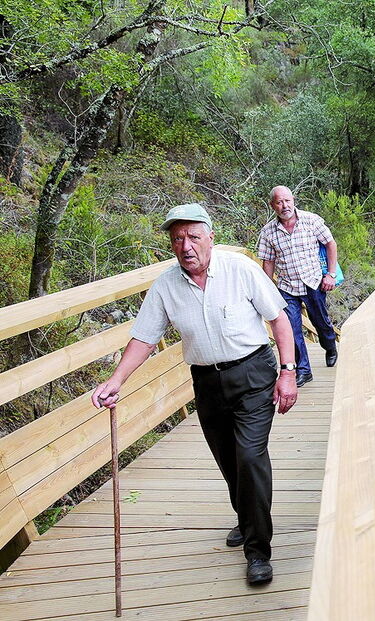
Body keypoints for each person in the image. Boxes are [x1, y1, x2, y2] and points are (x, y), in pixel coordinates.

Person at [91, 203, 298, 586]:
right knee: (229, 461)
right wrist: (116, 379)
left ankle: (257, 551)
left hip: (253, 374)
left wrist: (288, 373)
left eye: (193, 237)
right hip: (206, 382)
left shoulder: (240, 270)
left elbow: (279, 319)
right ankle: (248, 517)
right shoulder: (166, 285)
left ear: (210, 238)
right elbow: (145, 337)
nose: (186, 246)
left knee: (250, 457)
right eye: (177, 239)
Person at [257, 186, 339, 387]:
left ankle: (330, 346)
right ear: (272, 205)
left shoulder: (312, 220)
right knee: (292, 329)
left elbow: (330, 244)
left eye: (287, 201)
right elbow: (268, 262)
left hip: (314, 282)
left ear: (293, 200)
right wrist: (266, 290)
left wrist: (330, 274)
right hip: (287, 287)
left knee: (321, 322)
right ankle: (304, 370)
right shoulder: (268, 232)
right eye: (279, 202)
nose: (284, 206)